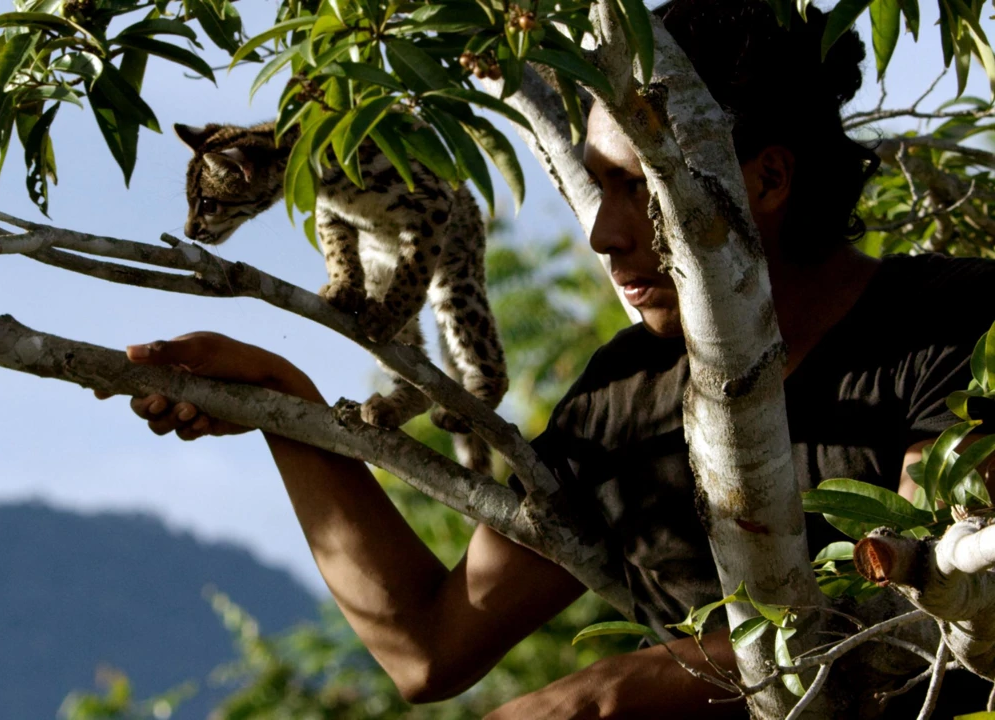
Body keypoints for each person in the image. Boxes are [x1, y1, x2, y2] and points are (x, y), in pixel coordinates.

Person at [102, 1, 995, 716]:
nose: (604, 234)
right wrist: (284, 404)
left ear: (765, 179)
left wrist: (608, 692)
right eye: (598, 185)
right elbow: (426, 646)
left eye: (636, 186)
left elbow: (916, 611)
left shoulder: (961, 323)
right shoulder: (624, 391)